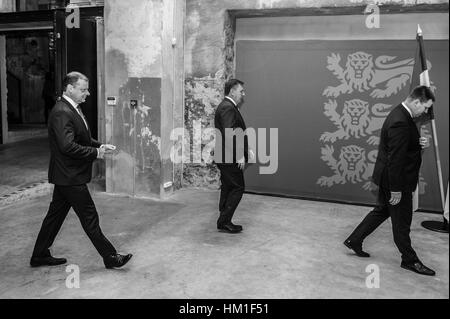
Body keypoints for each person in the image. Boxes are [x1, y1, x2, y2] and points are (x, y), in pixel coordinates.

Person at [30, 71, 132, 269]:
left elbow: (81, 138)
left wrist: (100, 146)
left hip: (65, 176)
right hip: (70, 176)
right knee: (89, 217)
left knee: (54, 217)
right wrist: (95, 153)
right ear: (70, 88)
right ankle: (110, 257)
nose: (88, 94)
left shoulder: (72, 108)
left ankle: (39, 255)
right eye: (83, 90)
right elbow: (67, 146)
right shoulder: (62, 111)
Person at [344, 85, 436, 276]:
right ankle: (409, 260)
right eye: (425, 107)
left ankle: (354, 240)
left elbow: (400, 147)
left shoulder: (402, 114)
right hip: (397, 181)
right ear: (417, 102)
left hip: (390, 178)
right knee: (402, 222)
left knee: (382, 211)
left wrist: (418, 143)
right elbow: (395, 159)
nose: (426, 111)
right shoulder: (401, 121)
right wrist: (396, 189)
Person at [214, 79, 254, 233]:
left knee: (228, 186)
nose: (243, 95)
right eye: (241, 91)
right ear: (232, 91)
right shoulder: (228, 108)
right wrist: (239, 155)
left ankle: (223, 216)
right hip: (229, 157)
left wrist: (246, 149)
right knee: (238, 187)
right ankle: (224, 220)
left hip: (226, 156)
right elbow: (229, 133)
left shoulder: (228, 106)